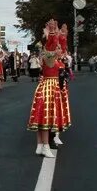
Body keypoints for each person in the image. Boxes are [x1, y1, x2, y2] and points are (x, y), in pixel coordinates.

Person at [28, 20, 69, 159]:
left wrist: (61, 35)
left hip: (49, 87)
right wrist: (52, 32)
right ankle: (45, 145)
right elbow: (51, 45)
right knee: (46, 118)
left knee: (42, 117)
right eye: (57, 48)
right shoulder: (48, 57)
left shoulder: (54, 59)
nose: (60, 50)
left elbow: (61, 47)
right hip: (48, 88)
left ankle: (40, 145)